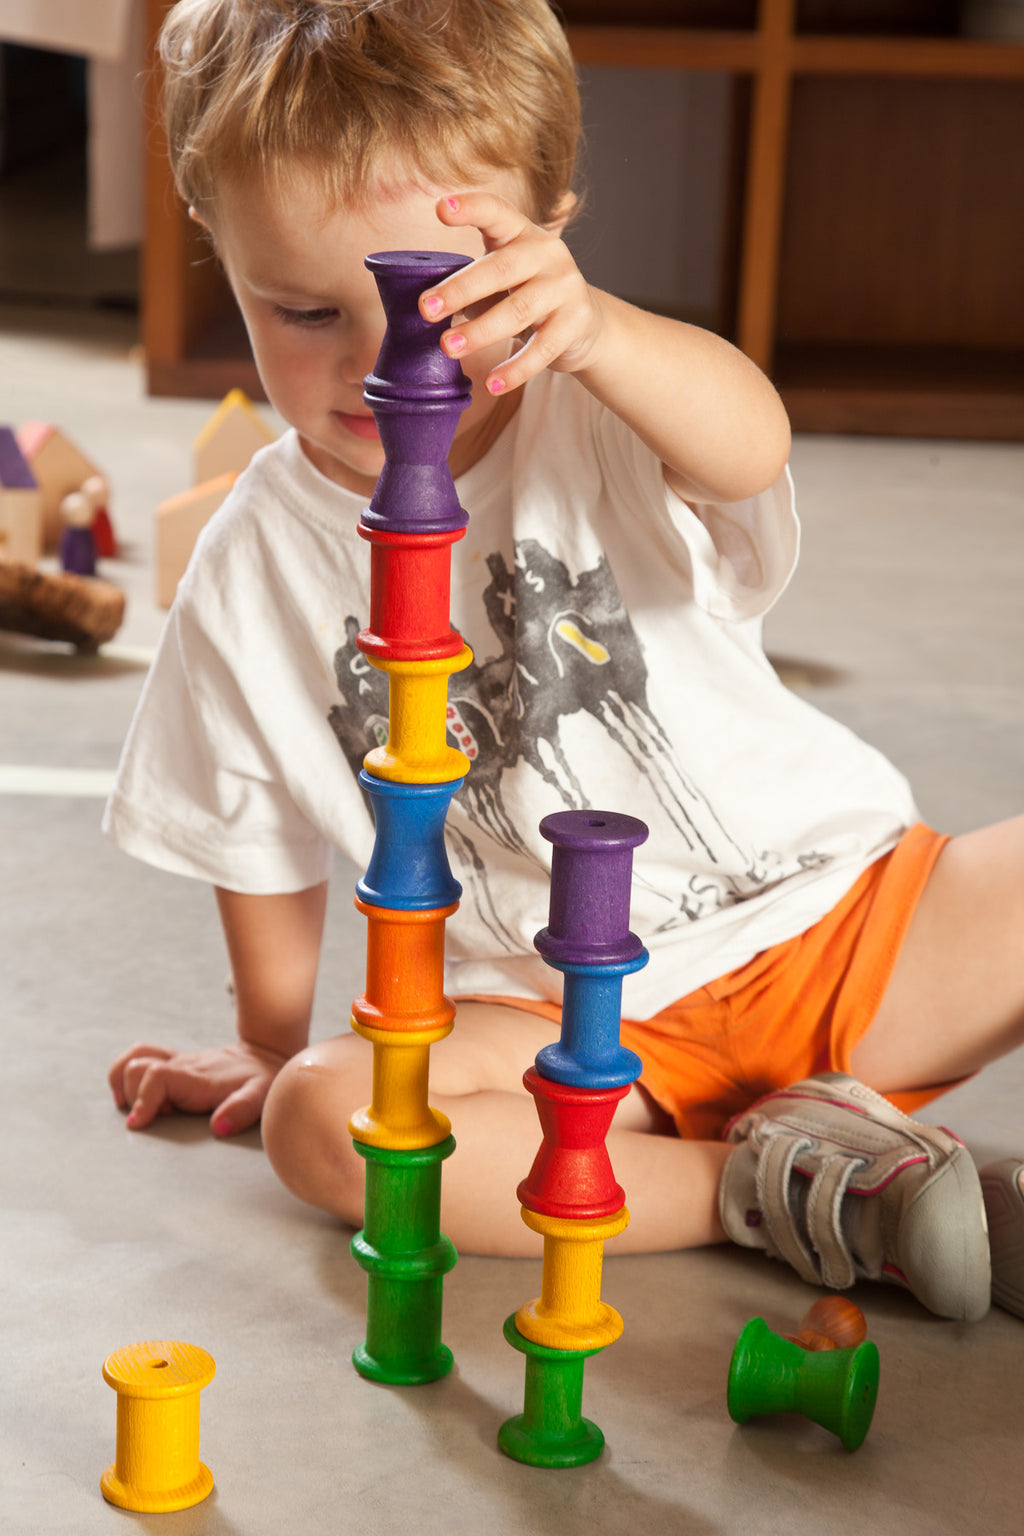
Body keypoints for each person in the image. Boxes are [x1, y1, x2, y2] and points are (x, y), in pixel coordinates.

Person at [105, 0, 1024, 1323]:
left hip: (851, 926)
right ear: (223, 254)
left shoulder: (600, 402)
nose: (379, 372)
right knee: (329, 1123)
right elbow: (245, 829)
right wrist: (264, 1042)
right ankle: (774, 1187)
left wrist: (601, 334)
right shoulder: (249, 565)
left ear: (546, 246)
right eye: (305, 312)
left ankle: (833, 1148)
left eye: (440, 308)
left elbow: (749, 447)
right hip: (569, 1043)